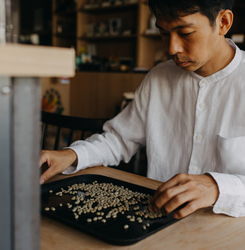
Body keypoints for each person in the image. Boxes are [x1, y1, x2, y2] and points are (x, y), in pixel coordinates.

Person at [39, 0, 245, 219]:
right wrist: (72, 154)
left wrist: (218, 187)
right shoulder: (159, 77)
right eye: (164, 33)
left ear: (223, 22)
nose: (171, 48)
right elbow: (119, 139)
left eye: (185, 33)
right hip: (158, 218)